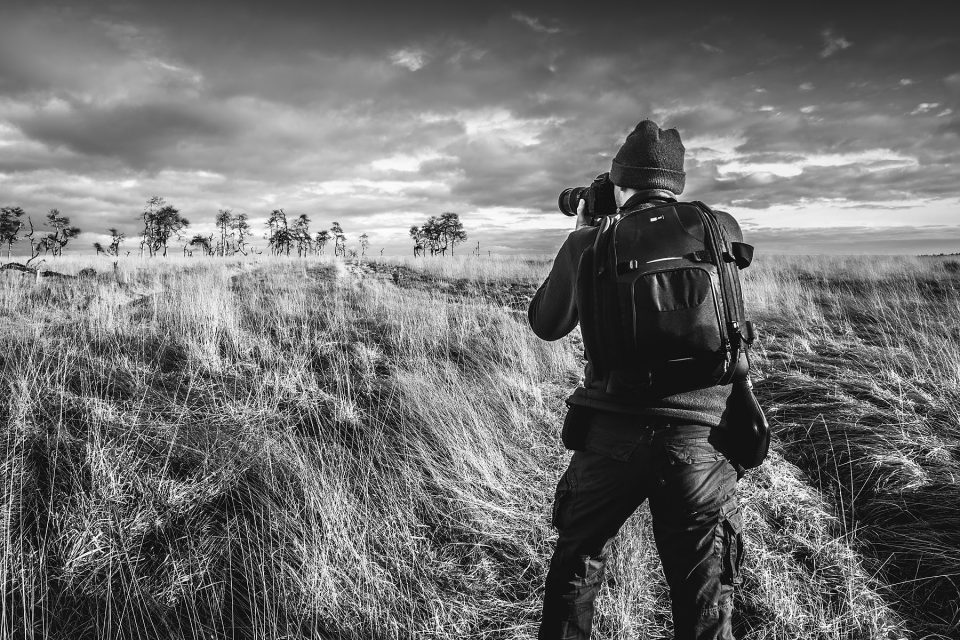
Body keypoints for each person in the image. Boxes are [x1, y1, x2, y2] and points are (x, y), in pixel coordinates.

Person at [529, 120, 746, 640]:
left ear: (619, 182)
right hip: (700, 438)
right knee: (703, 591)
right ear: (676, 182)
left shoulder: (590, 241)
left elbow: (546, 324)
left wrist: (580, 233)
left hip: (611, 436)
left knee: (577, 567)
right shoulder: (722, 227)